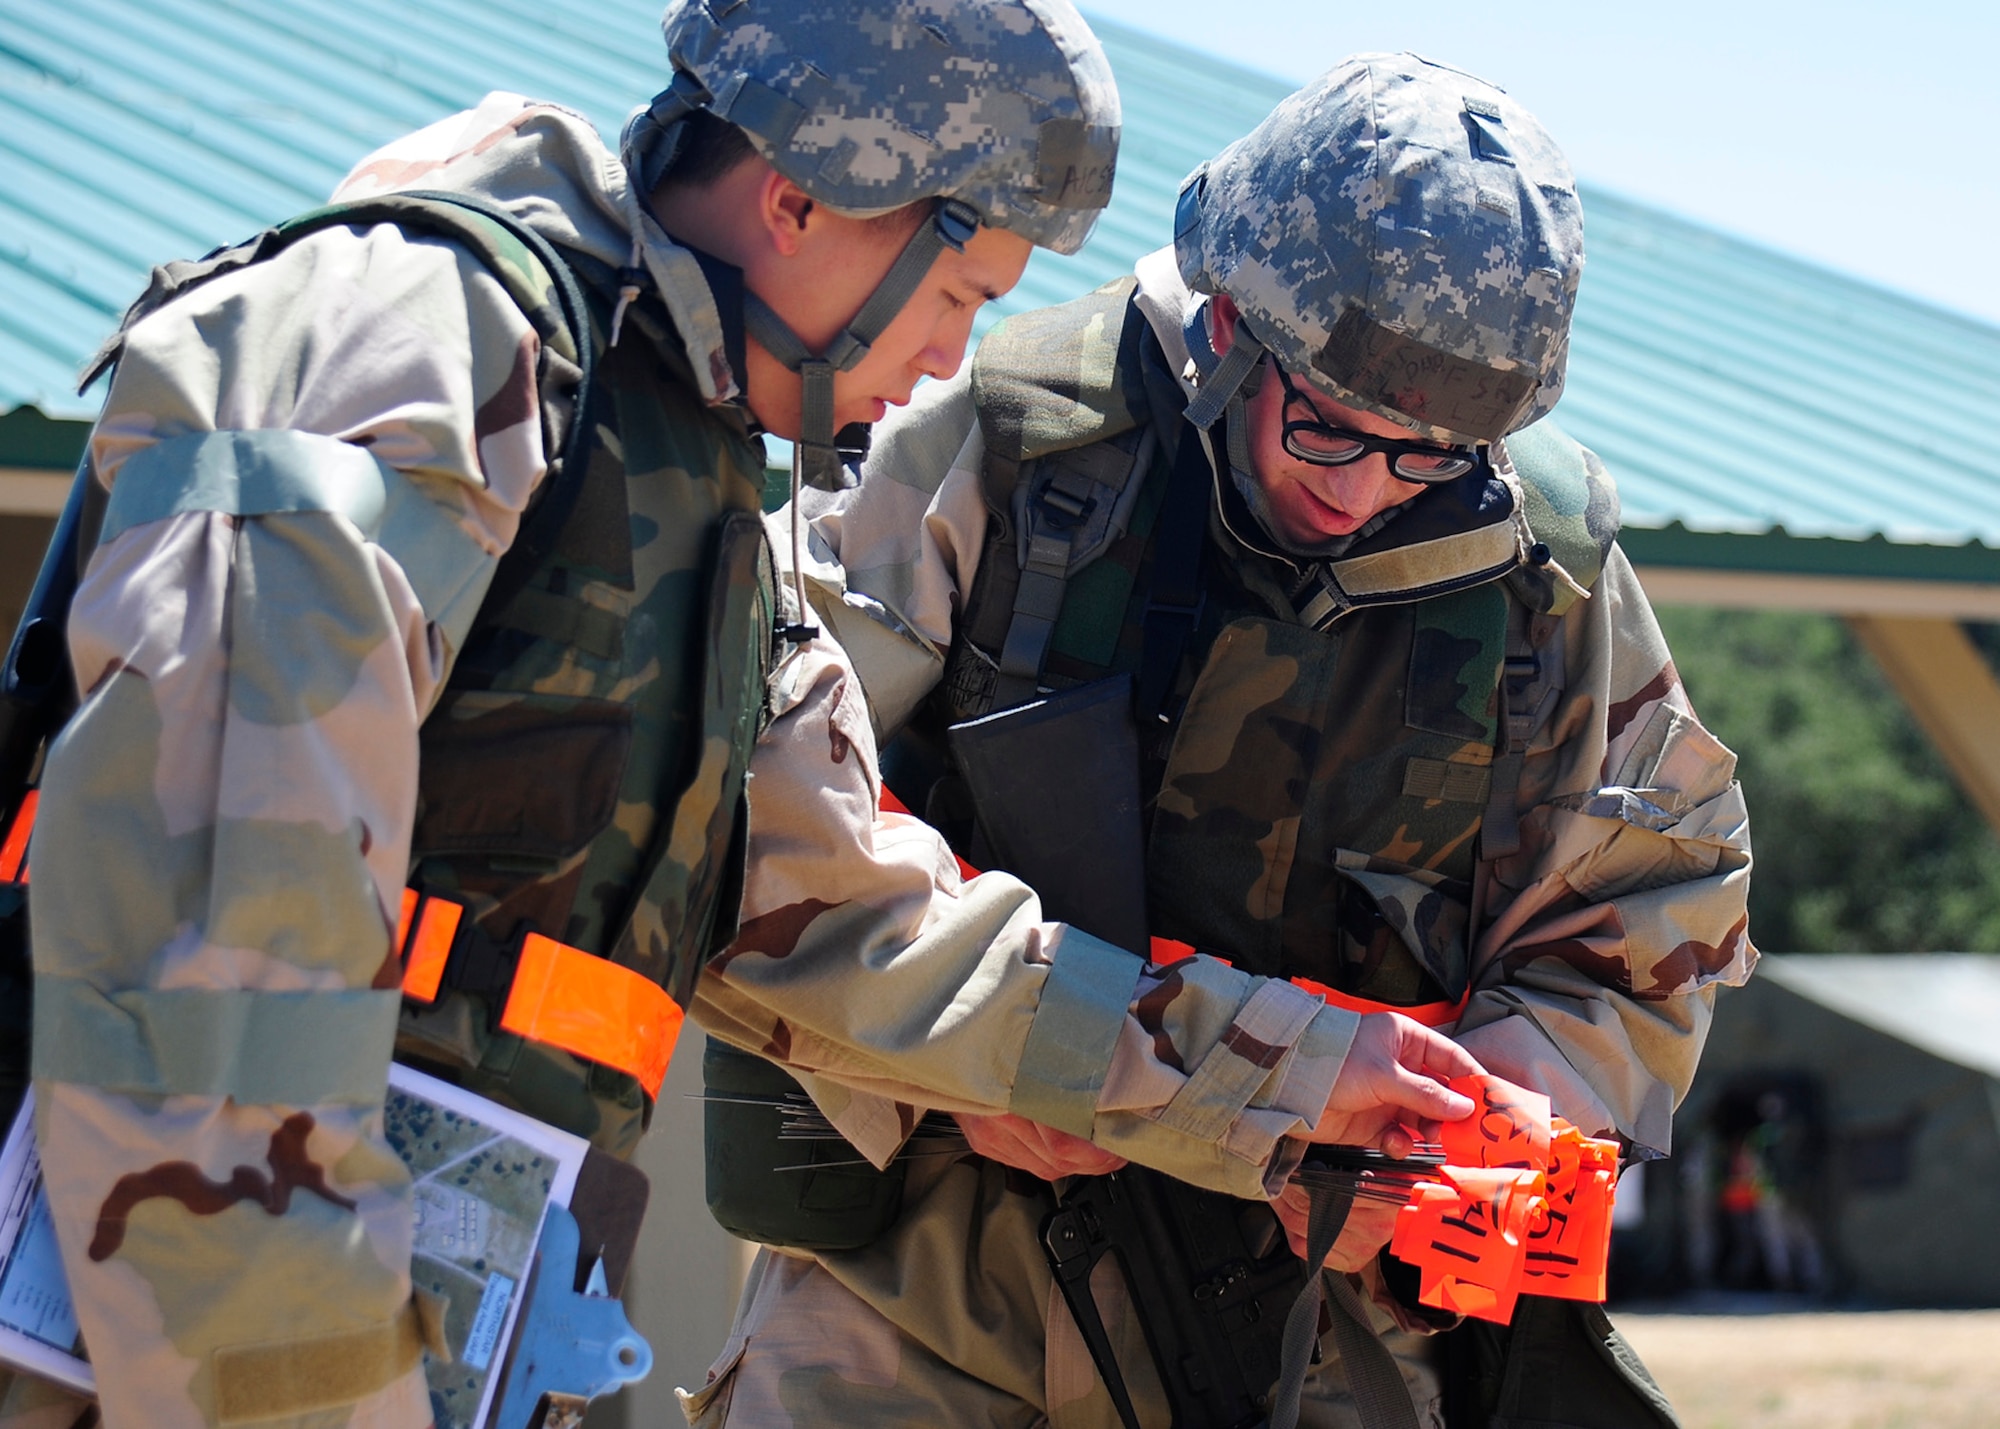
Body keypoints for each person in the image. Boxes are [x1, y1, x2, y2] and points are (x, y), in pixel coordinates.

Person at [19, 3, 1119, 1425]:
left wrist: (1291, 1087)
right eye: (959, 295)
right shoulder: (428, 347)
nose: (949, 357)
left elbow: (862, 915)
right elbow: (203, 987)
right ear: (798, 201)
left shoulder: (693, 473)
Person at [686, 53, 1755, 1428]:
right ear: (1230, 325)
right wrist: (959, 1078)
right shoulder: (996, 441)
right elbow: (758, 825)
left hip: (1317, 1323)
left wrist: (1489, 1112)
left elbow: (1660, 900)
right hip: (931, 1292)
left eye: (1423, 455)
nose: (1364, 488)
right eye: (1326, 426)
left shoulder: (1539, 562)